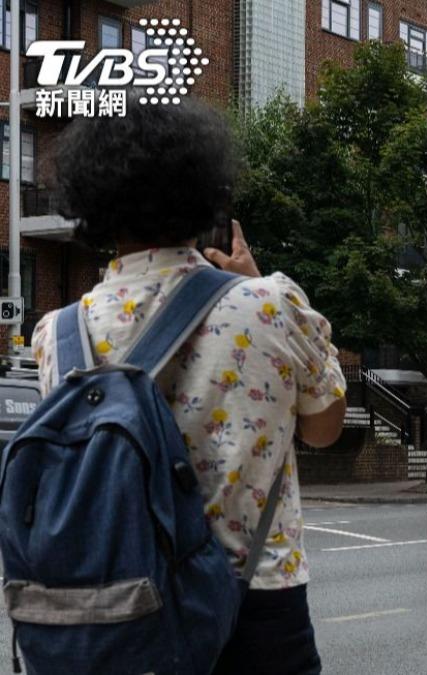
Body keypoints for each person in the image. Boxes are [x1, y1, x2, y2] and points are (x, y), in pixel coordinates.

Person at [31, 100, 346, 674]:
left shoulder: (57, 333)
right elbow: (325, 430)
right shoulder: (267, 306)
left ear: (91, 201)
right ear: (204, 194)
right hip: (255, 605)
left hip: (117, 609)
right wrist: (256, 282)